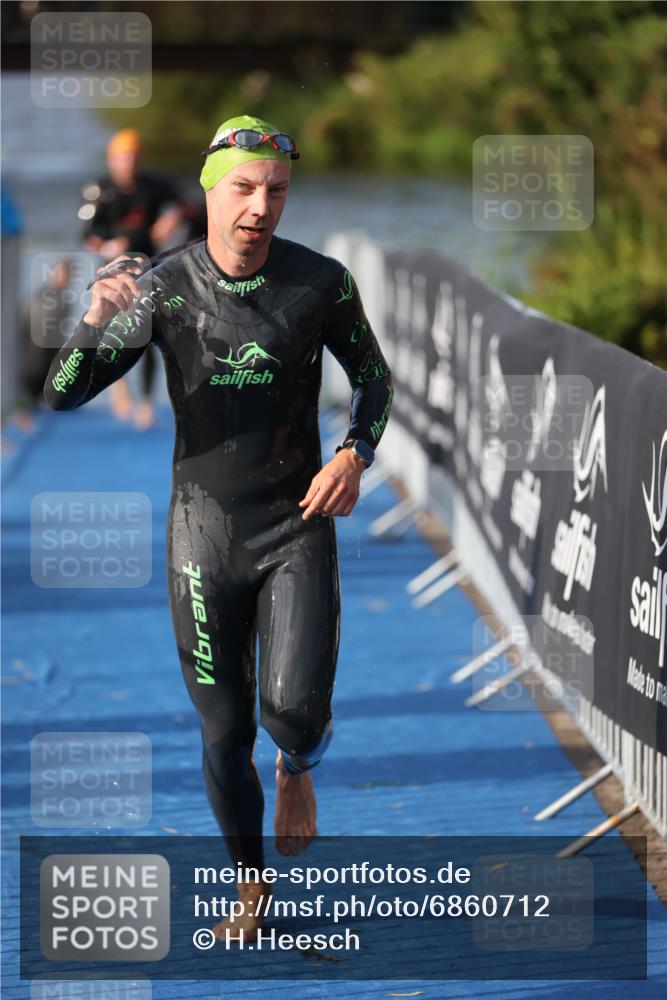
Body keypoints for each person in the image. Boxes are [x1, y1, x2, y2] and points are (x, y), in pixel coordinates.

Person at [44, 114, 393, 942]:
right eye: (242, 189)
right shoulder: (165, 287)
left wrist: (353, 454)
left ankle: (298, 767)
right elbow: (62, 391)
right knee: (223, 729)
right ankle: (250, 886)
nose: (258, 208)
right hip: (202, 535)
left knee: (292, 717)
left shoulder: (321, 282)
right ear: (207, 192)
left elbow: (374, 380)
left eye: (274, 192)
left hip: (295, 521)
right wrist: (95, 318)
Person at [82, 128, 185, 429]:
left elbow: (185, 202)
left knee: (149, 331)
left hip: (148, 266)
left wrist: (171, 218)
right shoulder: (99, 189)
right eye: (123, 158)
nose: (128, 164)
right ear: (112, 160)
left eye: (134, 157)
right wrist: (107, 246)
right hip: (112, 272)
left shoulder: (154, 185)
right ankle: (119, 388)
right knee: (112, 330)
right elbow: (87, 234)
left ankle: (146, 402)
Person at [14, 258, 72, 430]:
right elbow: (28, 321)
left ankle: (36, 404)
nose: (62, 278)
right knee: (33, 377)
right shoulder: (41, 296)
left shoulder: (64, 299)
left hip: (50, 349)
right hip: (36, 349)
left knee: (44, 378)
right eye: (60, 273)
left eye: (66, 275)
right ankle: (24, 409)